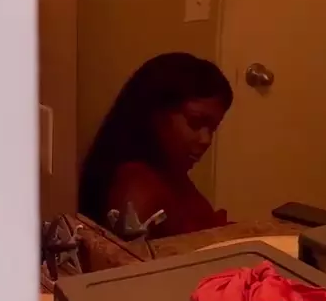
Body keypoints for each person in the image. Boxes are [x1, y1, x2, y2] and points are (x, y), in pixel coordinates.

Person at [78, 52, 234, 239]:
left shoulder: (170, 173)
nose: (206, 140)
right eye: (195, 122)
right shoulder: (136, 189)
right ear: (155, 115)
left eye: (213, 128)